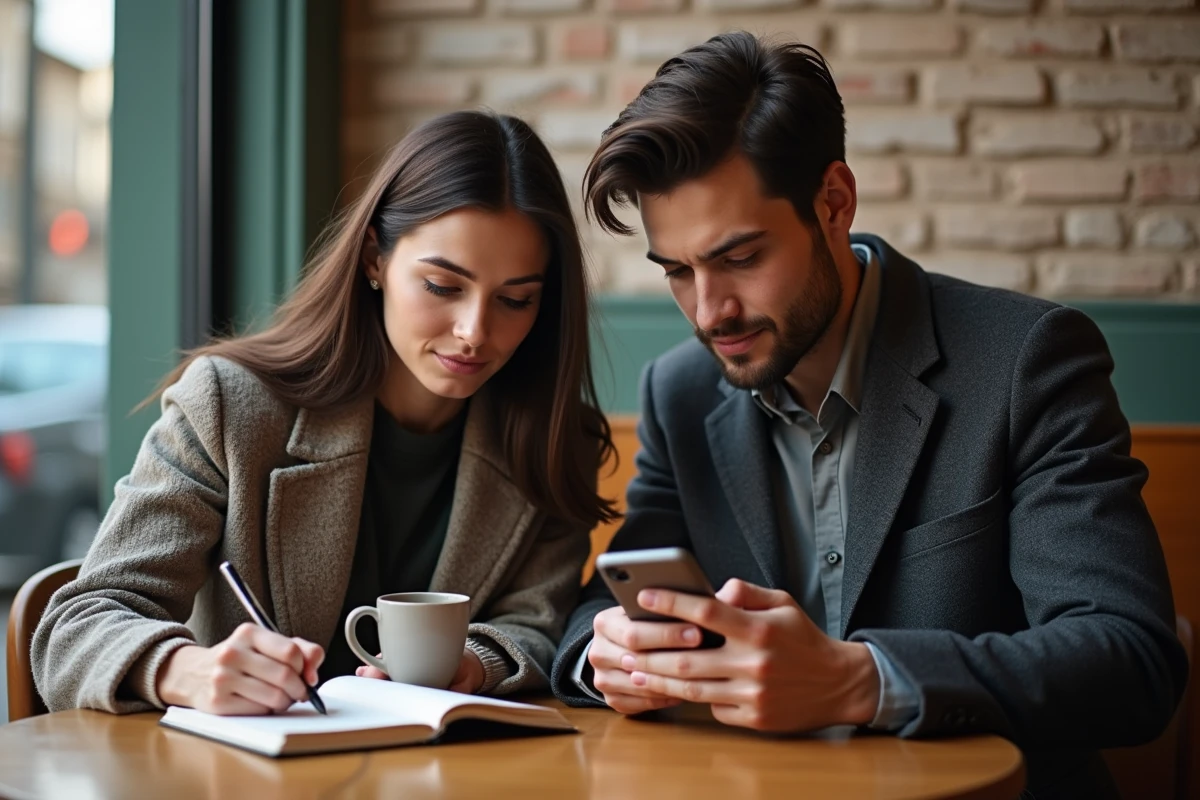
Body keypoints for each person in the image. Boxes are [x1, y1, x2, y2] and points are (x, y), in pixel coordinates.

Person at [550, 32, 1186, 797]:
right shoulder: (680, 392)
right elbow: (605, 603)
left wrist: (860, 680)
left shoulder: (1027, 360)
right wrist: (606, 654)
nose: (710, 311)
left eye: (741, 258)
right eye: (678, 271)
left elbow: (1129, 660)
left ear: (834, 203)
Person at [33, 110, 616, 716]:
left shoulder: (554, 438)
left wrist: (475, 664)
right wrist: (186, 671)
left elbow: (538, 624)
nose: (474, 331)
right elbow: (76, 626)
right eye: (443, 287)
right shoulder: (230, 406)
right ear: (374, 260)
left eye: (515, 299)